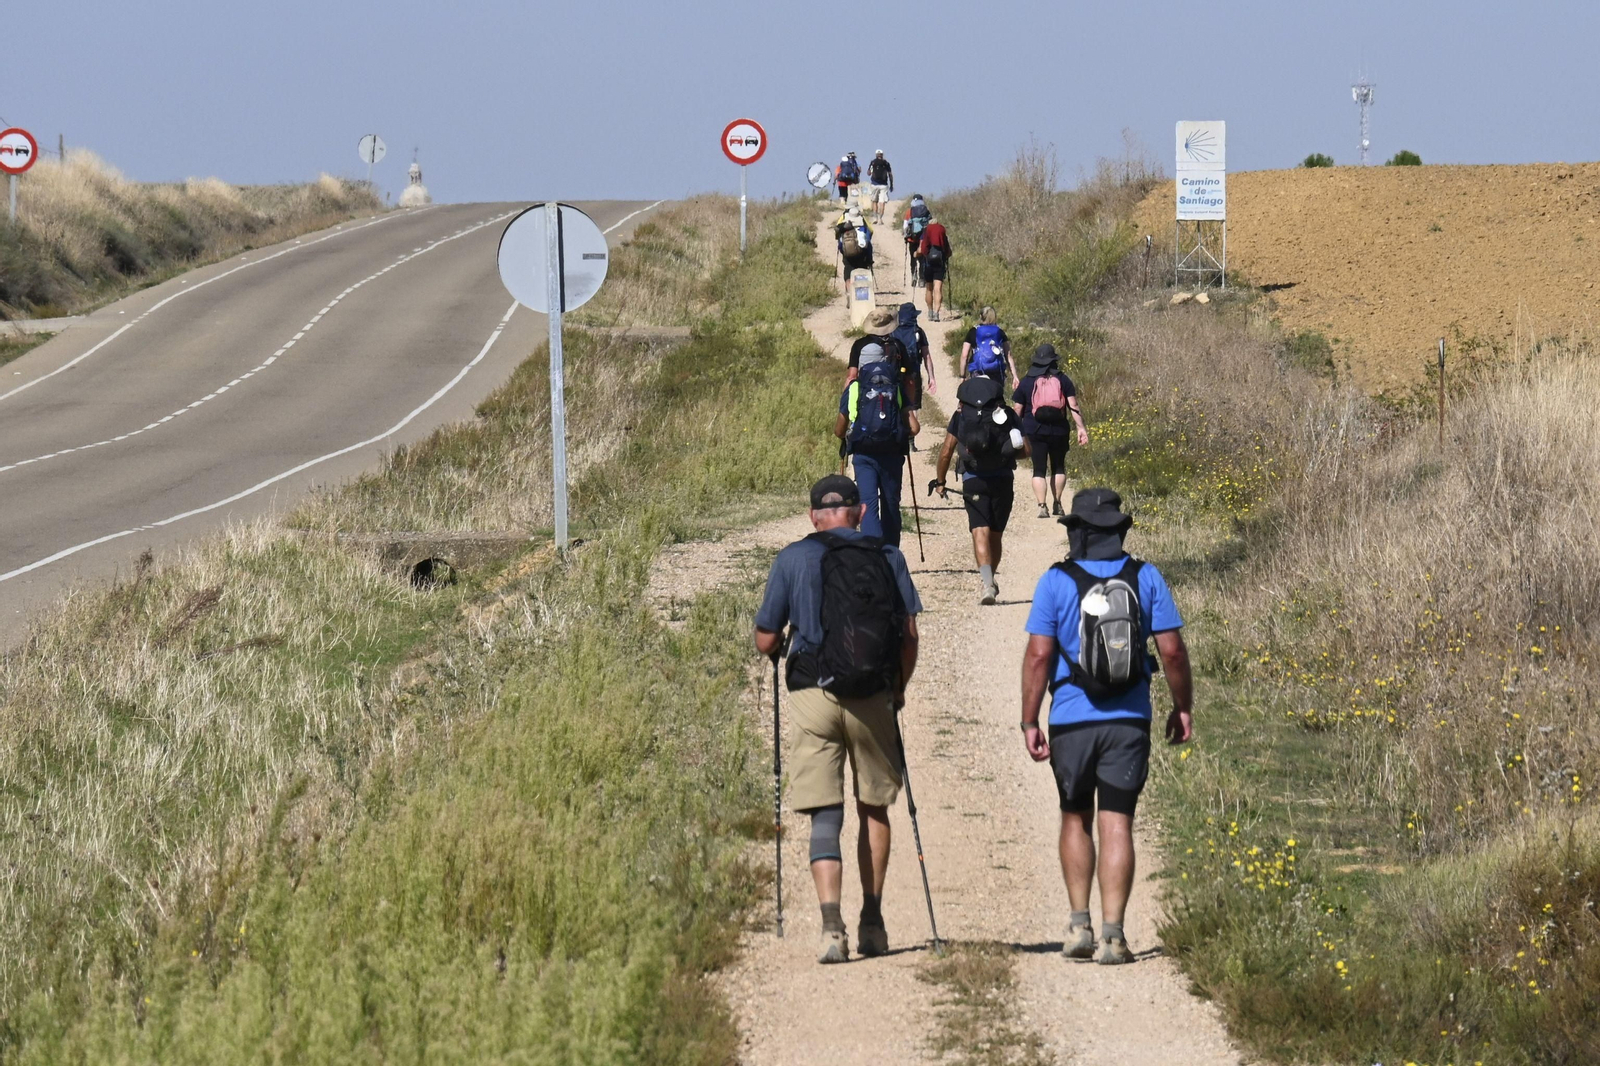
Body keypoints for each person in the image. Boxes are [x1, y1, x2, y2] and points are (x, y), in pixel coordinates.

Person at [1019, 489, 1193, 965]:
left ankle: (1079, 924)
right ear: (1119, 531)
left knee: (1076, 816)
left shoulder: (1056, 581)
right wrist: (1183, 707)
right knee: (1118, 821)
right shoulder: (1145, 577)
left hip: (1072, 719)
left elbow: (1038, 655)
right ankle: (1114, 935)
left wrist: (1029, 719)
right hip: (1128, 718)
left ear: (1078, 532)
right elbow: (1173, 651)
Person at [754, 475, 923, 964]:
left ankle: (832, 929)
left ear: (813, 516)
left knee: (825, 816)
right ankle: (872, 920)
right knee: (874, 807)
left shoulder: (791, 559)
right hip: (872, 695)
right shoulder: (887, 556)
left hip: (812, 696)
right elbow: (908, 635)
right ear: (860, 512)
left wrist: (784, 640)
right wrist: (897, 688)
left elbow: (766, 639)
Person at [930, 376, 1026, 604]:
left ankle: (987, 584)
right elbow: (1025, 450)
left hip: (973, 480)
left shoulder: (961, 415)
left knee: (979, 531)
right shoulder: (1008, 414)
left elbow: (946, 452)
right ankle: (991, 577)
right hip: (1002, 479)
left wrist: (940, 481)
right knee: (995, 534)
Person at [836, 344, 910, 546]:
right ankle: (892, 554)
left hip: (864, 454)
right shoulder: (896, 386)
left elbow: (839, 430)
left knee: (867, 504)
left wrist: (844, 435)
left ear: (860, 365)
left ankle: (873, 551)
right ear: (884, 360)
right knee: (891, 503)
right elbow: (914, 426)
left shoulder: (854, 388)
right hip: (892, 454)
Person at [1012, 344, 1089, 518]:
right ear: (1054, 360)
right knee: (1059, 467)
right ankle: (1058, 503)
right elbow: (1073, 405)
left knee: (1038, 469)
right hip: (1059, 430)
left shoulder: (1027, 381)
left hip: (1034, 430)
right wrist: (1080, 428)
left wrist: (1015, 429)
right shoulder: (1063, 379)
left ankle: (1042, 506)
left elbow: (1018, 408)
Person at [960, 307, 1019, 388]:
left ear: (981, 316)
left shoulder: (973, 331)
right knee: (996, 397)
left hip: (978, 371)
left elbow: (964, 355)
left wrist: (962, 375)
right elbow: (1008, 355)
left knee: (978, 397)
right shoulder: (999, 331)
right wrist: (1014, 376)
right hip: (996, 371)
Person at [917, 215, 951, 321]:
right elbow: (948, 251)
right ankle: (936, 313)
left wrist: (919, 255)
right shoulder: (942, 233)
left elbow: (922, 250)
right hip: (939, 264)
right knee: (938, 288)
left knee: (929, 288)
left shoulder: (926, 232)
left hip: (928, 264)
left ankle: (930, 312)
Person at [836, 205, 874, 275]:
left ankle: (848, 285)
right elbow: (869, 239)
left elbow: (840, 245)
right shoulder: (863, 228)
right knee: (863, 272)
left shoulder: (844, 229)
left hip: (848, 256)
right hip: (862, 256)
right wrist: (870, 260)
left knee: (848, 271)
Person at [902, 195, 931, 284]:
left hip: (912, 239)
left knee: (913, 258)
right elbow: (930, 224)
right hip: (923, 239)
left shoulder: (909, 211)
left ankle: (913, 276)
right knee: (923, 258)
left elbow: (905, 226)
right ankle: (922, 279)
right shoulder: (926, 211)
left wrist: (906, 236)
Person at [867, 150, 894, 224]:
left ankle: (875, 218)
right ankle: (880, 219)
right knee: (882, 202)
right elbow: (890, 175)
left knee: (874, 201)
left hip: (874, 184)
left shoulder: (873, 162)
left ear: (876, 155)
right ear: (882, 155)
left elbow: (868, 173)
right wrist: (891, 185)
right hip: (884, 185)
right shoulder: (886, 163)